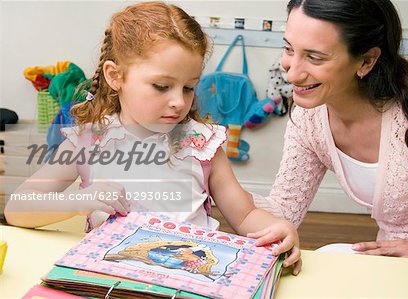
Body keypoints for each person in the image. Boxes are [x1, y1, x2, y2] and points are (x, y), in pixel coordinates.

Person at [4, 2, 301, 274]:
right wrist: (78, 202)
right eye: (162, 86)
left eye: (188, 88)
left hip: (188, 279)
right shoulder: (88, 141)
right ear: (115, 76)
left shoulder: (202, 143)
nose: (178, 102)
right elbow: (17, 209)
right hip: (110, 280)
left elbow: (245, 214)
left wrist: (277, 228)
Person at [252, 0, 408, 261]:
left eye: (314, 57)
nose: (292, 74)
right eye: (289, 49)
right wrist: (216, 180)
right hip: (398, 258)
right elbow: (284, 211)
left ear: (366, 60)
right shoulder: (308, 119)